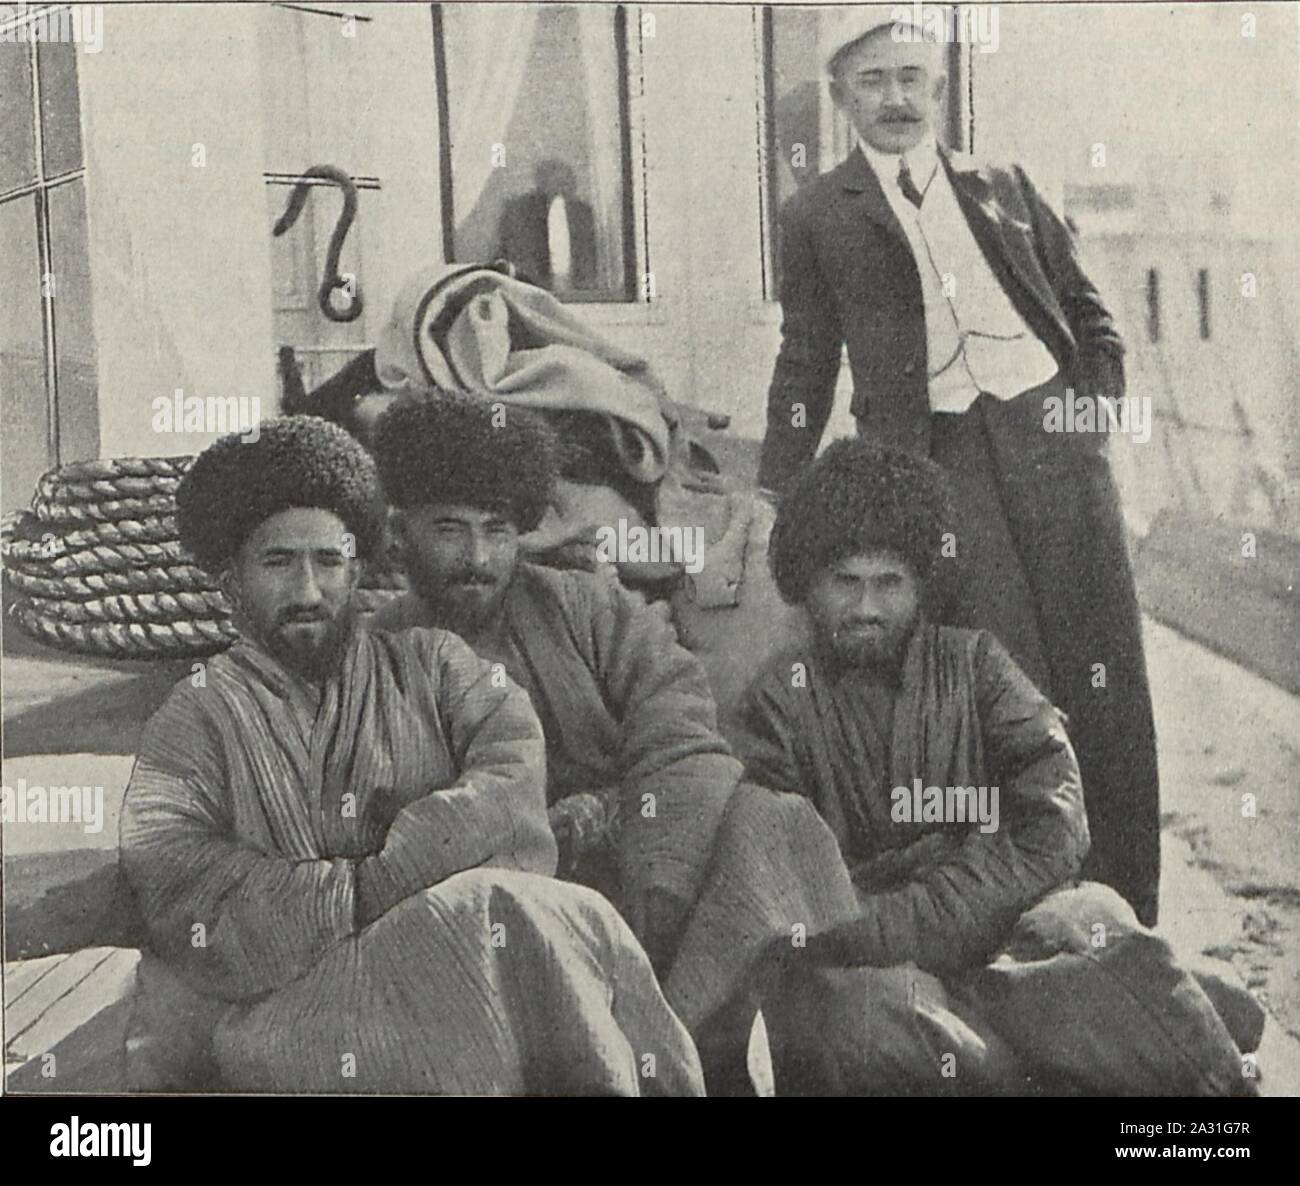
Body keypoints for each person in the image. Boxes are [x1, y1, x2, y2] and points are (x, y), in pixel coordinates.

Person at [119, 415, 703, 1095]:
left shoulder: (438, 666)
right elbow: (185, 892)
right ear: (231, 584)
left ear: (356, 571)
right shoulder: (192, 721)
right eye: (278, 564)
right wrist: (362, 893)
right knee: (490, 913)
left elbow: (509, 800)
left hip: (459, 963)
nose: (308, 592)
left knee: (558, 916)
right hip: (290, 1015)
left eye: (328, 562)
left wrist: (393, 880)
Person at [665, 438, 1260, 1096]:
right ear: (808, 584)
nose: (866, 609)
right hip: (871, 969)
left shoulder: (976, 665)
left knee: (1093, 920)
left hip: (1005, 933)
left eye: (889, 583)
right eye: (845, 582)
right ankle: (1109, 1046)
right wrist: (904, 929)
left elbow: (1054, 822)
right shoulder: (774, 708)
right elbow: (786, 896)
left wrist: (949, 913)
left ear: (923, 585)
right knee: (860, 1026)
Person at [757, 14, 1159, 925]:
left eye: (911, 78)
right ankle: (1029, 910)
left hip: (1055, 452)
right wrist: (772, 490)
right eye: (872, 81)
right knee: (999, 683)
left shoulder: (1005, 183)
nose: (895, 98)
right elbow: (805, 362)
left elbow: (1089, 312)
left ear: (938, 90)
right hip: (940, 467)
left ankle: (1128, 909)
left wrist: (1088, 413)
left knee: (1105, 679)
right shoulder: (817, 214)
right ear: (841, 97)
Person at [368, 395, 740, 971]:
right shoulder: (374, 659)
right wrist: (546, 832)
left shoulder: (586, 607)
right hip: (491, 905)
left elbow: (678, 727)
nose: (478, 557)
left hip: (642, 864)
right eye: (450, 530)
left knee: (766, 818)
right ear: (401, 533)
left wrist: (649, 865)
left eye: (497, 531)